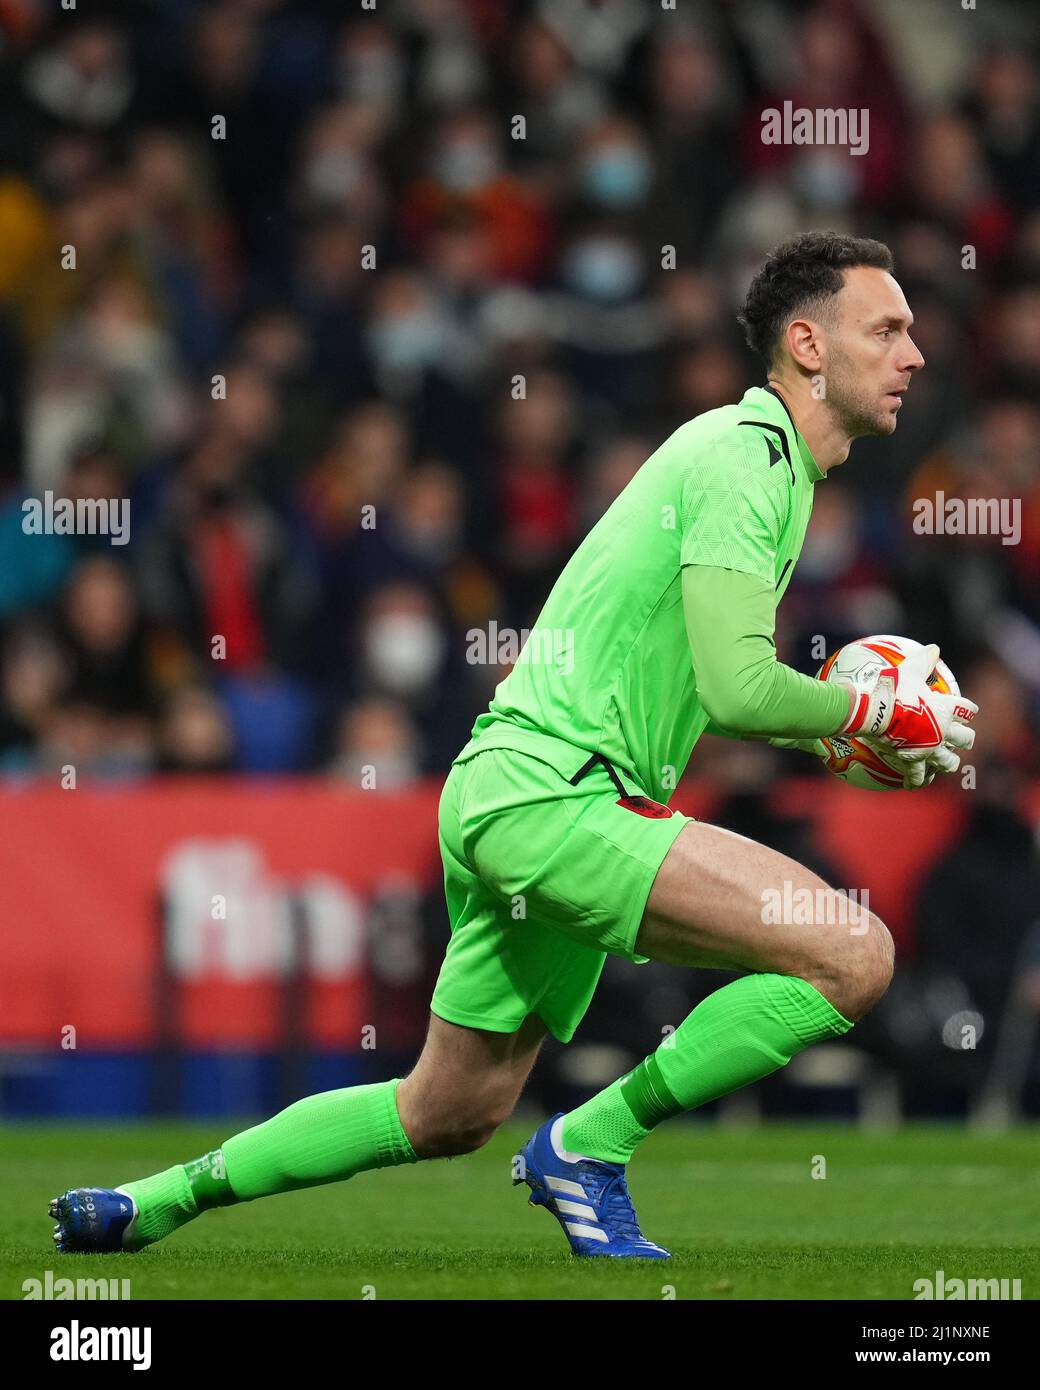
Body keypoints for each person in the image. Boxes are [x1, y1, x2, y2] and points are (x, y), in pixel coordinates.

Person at [50, 230, 977, 1259]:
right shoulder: (742, 457)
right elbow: (738, 685)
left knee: (443, 1111)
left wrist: (842, 722)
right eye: (885, 328)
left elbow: (712, 689)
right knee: (852, 954)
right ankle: (587, 1143)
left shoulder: (773, 469)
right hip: (557, 797)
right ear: (806, 343)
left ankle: (152, 1201)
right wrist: (874, 716)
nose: (913, 353)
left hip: (520, 791)